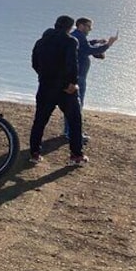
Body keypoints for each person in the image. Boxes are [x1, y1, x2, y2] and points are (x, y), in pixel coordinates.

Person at [30, 15, 87, 166]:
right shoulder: (70, 41)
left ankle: (34, 153)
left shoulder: (40, 42)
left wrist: (45, 76)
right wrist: (72, 83)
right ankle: (76, 155)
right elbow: (72, 64)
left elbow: (34, 63)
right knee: (75, 121)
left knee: (40, 121)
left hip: (45, 86)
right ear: (70, 27)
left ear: (55, 25)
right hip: (65, 89)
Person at [63, 17, 118, 141]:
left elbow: (84, 46)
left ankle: (68, 131)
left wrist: (96, 41)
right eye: (89, 26)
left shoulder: (74, 36)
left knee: (71, 105)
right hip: (79, 77)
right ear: (81, 26)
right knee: (77, 106)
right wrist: (109, 44)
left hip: (74, 75)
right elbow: (89, 50)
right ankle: (73, 134)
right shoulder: (79, 36)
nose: (90, 29)